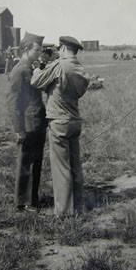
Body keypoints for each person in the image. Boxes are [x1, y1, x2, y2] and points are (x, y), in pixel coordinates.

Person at [31, 36, 90, 217]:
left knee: (61, 169)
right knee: (75, 167)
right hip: (74, 121)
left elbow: (36, 82)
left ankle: (63, 212)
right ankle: (78, 207)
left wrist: (39, 67)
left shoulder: (59, 65)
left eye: (59, 48)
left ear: (63, 48)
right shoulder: (79, 68)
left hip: (59, 121)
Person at [7, 31, 47, 211]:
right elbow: (13, 102)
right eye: (36, 50)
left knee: (35, 162)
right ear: (25, 49)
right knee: (27, 163)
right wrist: (19, 129)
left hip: (37, 122)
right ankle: (23, 202)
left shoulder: (30, 68)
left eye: (40, 50)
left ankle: (31, 200)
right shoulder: (20, 70)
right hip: (28, 124)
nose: (39, 53)